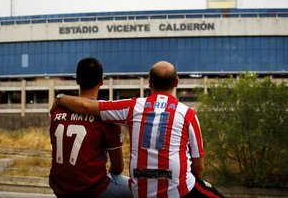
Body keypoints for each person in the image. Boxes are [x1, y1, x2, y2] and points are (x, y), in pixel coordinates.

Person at [51, 61, 224, 198]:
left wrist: (59, 98)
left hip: (138, 190)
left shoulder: (133, 106)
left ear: (149, 82)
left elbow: (88, 106)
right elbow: (199, 167)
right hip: (177, 191)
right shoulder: (188, 114)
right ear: (177, 82)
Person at [49, 57, 132, 198]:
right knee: (139, 190)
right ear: (101, 82)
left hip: (60, 188)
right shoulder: (106, 118)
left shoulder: (57, 111)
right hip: (93, 189)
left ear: (77, 80)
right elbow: (118, 168)